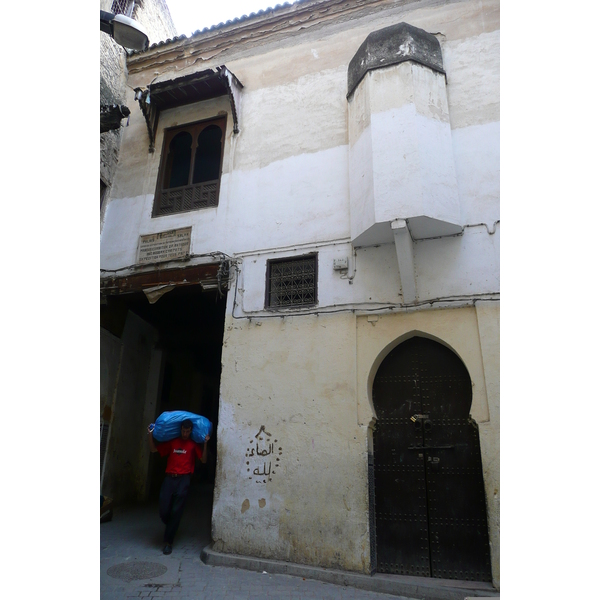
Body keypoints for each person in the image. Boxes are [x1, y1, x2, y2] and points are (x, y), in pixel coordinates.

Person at [147, 418, 210, 555]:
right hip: (169, 479)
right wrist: (150, 433)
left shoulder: (193, 445)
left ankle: (168, 542)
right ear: (180, 429)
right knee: (164, 510)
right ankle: (170, 525)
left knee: (176, 511)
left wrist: (205, 444)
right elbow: (153, 450)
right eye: (183, 430)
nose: (185, 433)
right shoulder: (172, 442)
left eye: (188, 431)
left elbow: (203, 460)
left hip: (184, 480)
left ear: (191, 431)